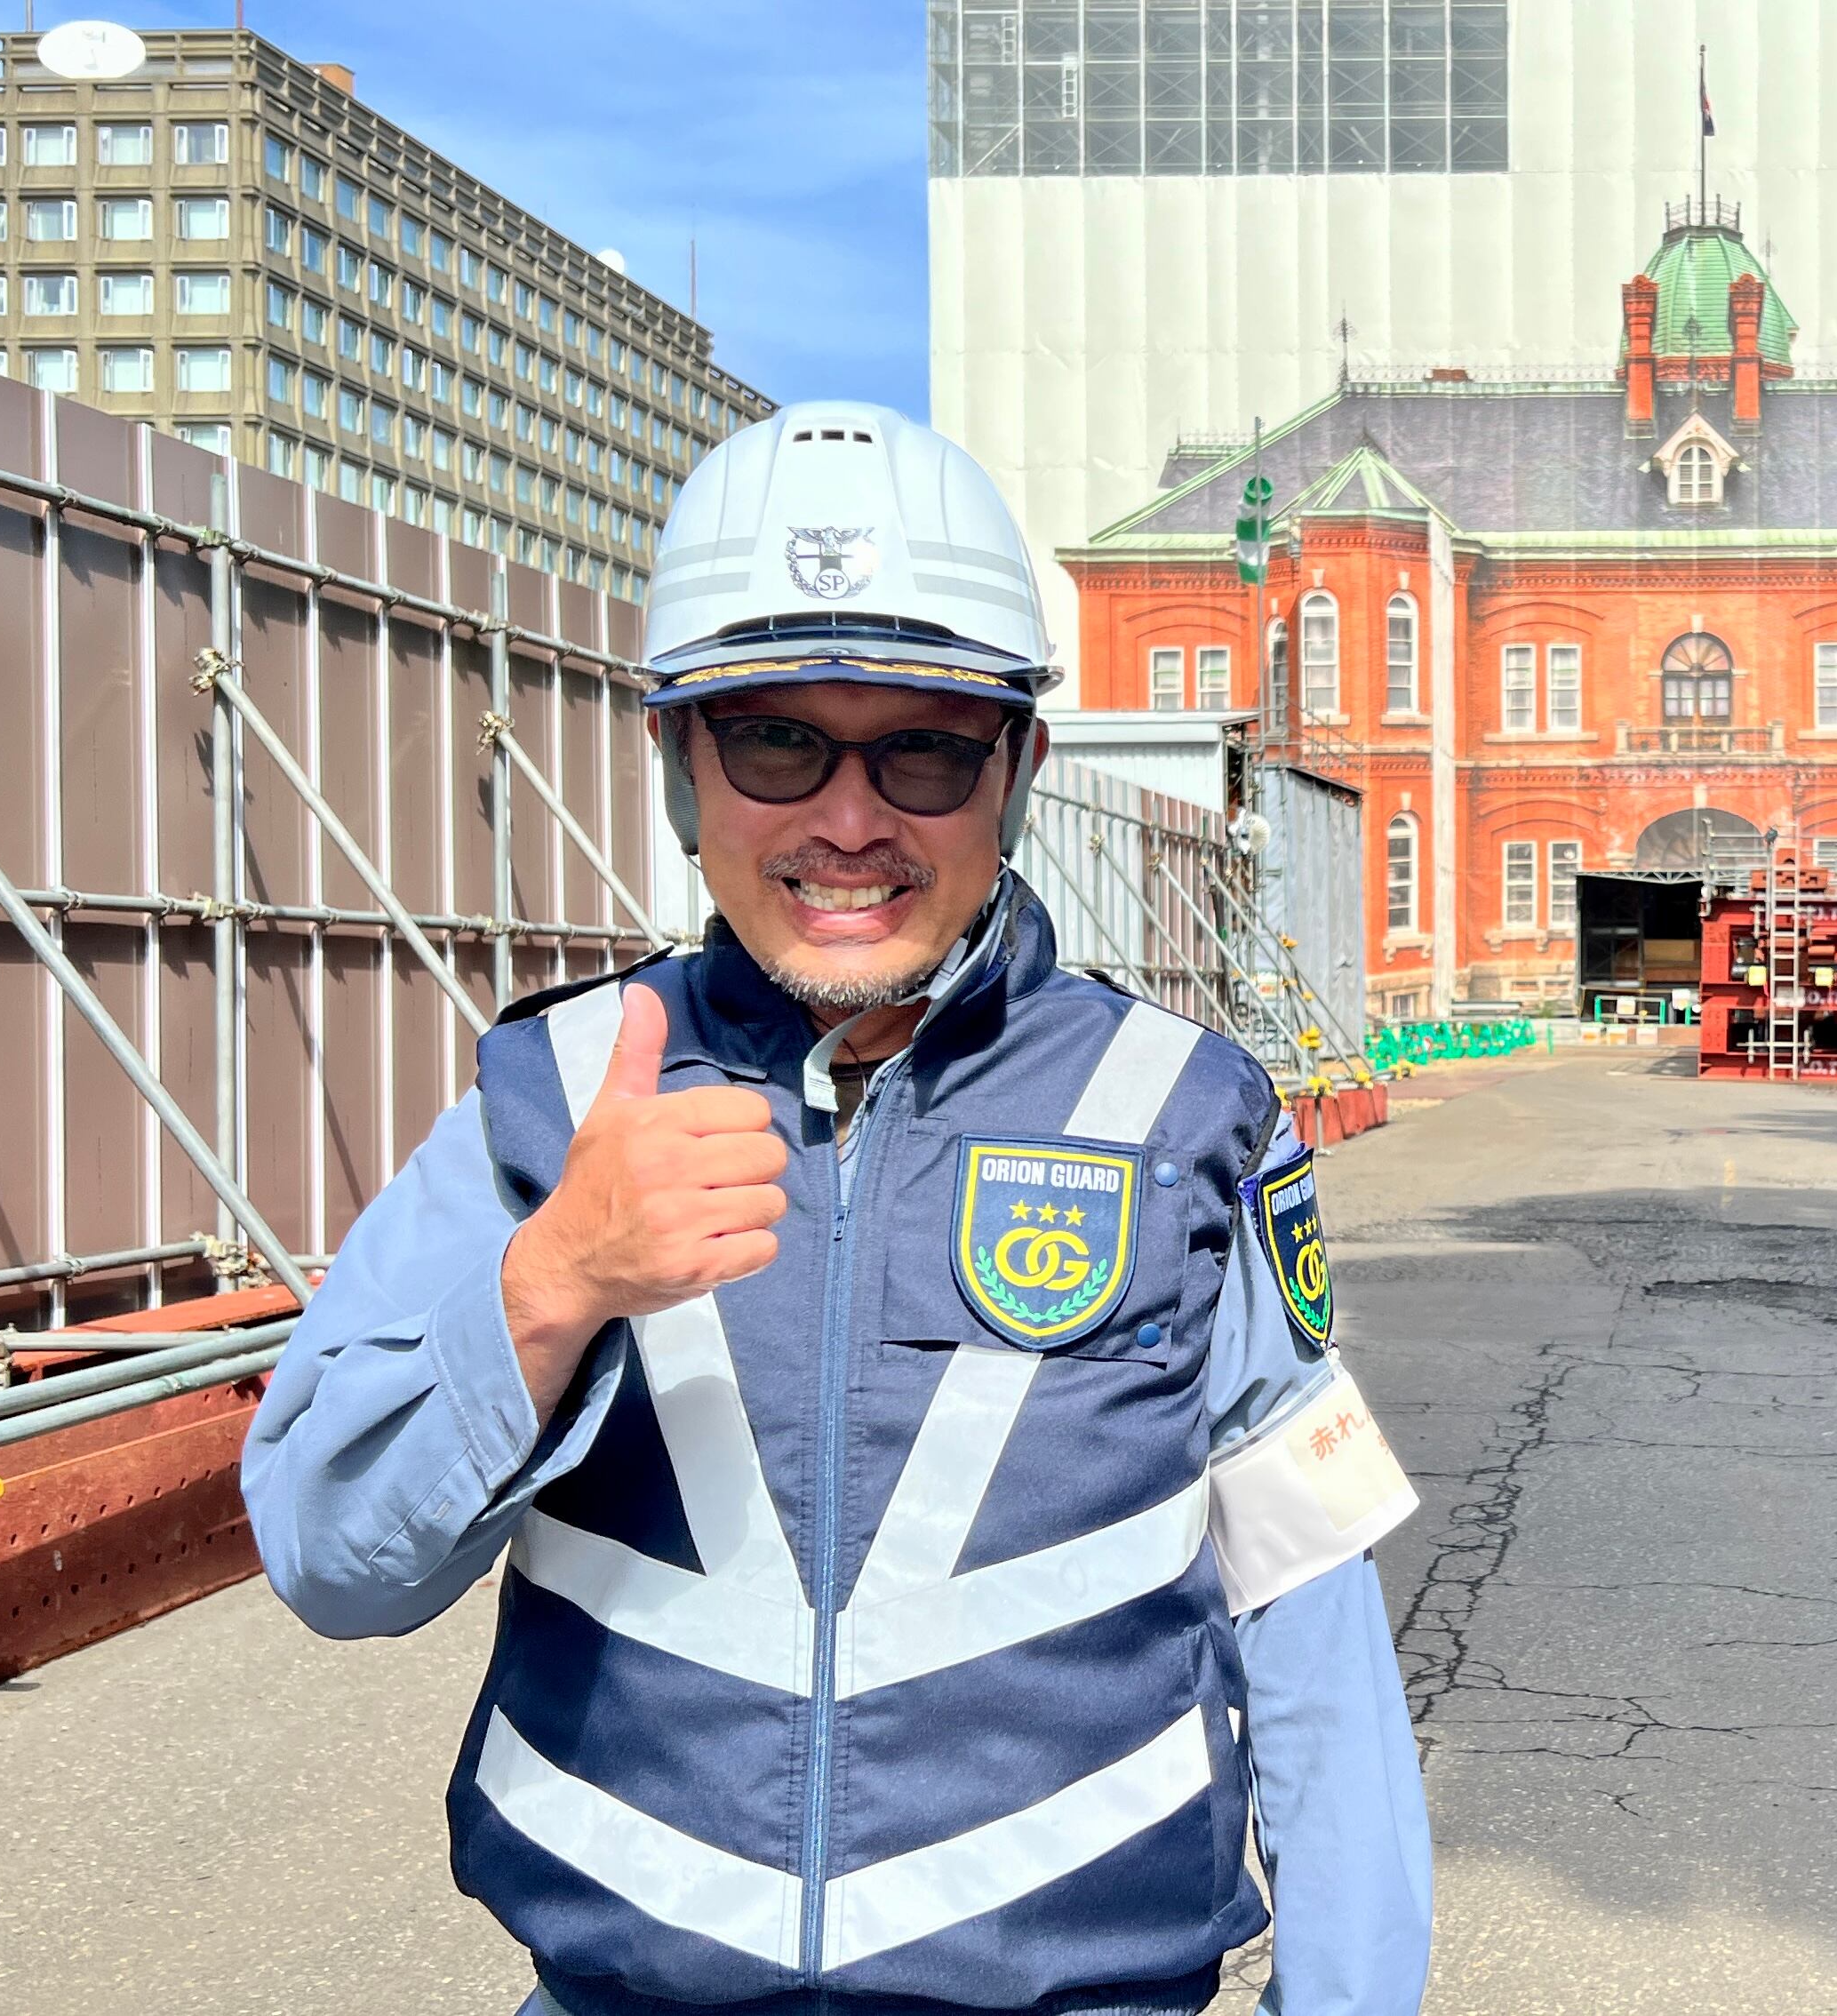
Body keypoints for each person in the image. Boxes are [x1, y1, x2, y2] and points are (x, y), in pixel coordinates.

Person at [244, 402, 1431, 2016]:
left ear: (1017, 764)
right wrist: (549, 1286)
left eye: (925, 747)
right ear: (679, 763)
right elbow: (328, 1556)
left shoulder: (1183, 1118)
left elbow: (1311, 1625)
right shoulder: (553, 1098)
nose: (851, 820)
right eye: (776, 742)